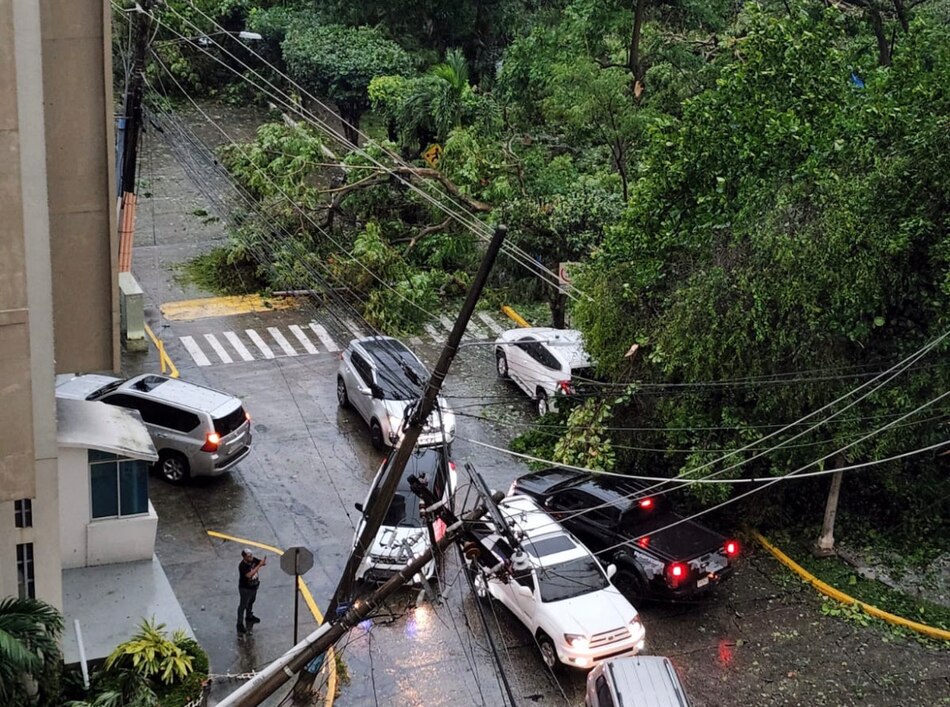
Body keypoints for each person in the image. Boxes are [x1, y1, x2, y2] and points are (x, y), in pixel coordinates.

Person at [237, 548, 266, 635]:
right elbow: (249, 575)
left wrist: (262, 562)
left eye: (251, 555)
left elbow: (262, 563)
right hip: (245, 588)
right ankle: (239, 624)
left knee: (251, 602)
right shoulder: (242, 566)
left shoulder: (253, 560)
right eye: (249, 556)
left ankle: (249, 616)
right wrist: (259, 566)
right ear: (244, 557)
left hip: (254, 586)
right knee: (243, 605)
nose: (251, 557)